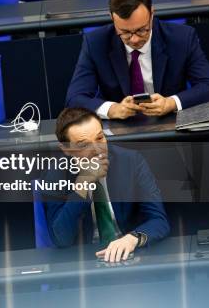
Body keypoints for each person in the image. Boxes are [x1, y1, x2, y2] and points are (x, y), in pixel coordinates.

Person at [65, 0, 209, 119]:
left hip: (169, 122)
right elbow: (74, 98)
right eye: (125, 32)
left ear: (152, 14)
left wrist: (171, 103)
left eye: (141, 30)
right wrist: (113, 109)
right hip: (120, 128)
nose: (133, 39)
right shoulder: (96, 43)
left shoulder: (181, 38)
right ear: (112, 19)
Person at [43, 107, 170, 262]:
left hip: (130, 255)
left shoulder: (132, 162)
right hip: (84, 262)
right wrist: (82, 185)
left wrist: (132, 238)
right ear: (66, 149)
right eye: (84, 145)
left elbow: (159, 220)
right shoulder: (55, 174)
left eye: (100, 138)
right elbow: (61, 239)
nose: (98, 150)